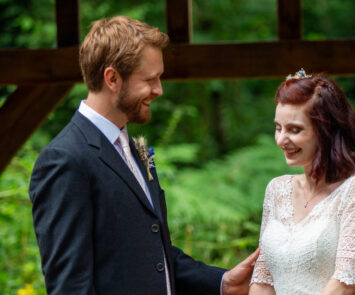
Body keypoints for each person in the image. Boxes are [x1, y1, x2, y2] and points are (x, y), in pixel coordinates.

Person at [29, 16, 259, 295]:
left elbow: (152, 255)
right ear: (112, 78)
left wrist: (222, 282)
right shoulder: (65, 159)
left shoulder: (133, 148)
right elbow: (70, 285)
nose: (159, 90)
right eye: (150, 79)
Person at [248, 70, 355, 295]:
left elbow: (346, 283)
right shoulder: (277, 189)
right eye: (278, 128)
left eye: (294, 129)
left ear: (325, 131)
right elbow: (263, 279)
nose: (281, 139)